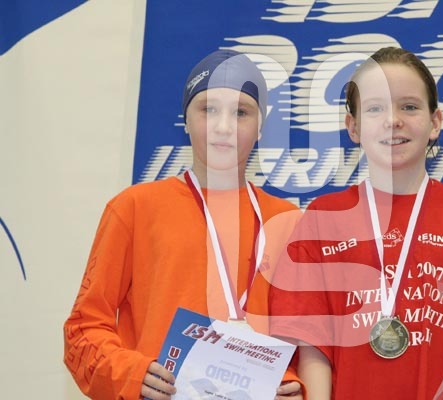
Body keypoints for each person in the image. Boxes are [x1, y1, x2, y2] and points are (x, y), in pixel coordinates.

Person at [269, 47, 443, 399]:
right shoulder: (323, 217)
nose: (393, 120)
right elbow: (312, 345)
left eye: (409, 107)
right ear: (353, 127)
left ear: (435, 122)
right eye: (375, 108)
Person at [64, 49, 303, 400]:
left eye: (241, 112)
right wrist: (131, 373)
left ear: (260, 126)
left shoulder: (290, 222)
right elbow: (83, 328)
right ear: (186, 120)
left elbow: (306, 340)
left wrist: (292, 384)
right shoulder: (134, 208)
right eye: (208, 109)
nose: (223, 127)